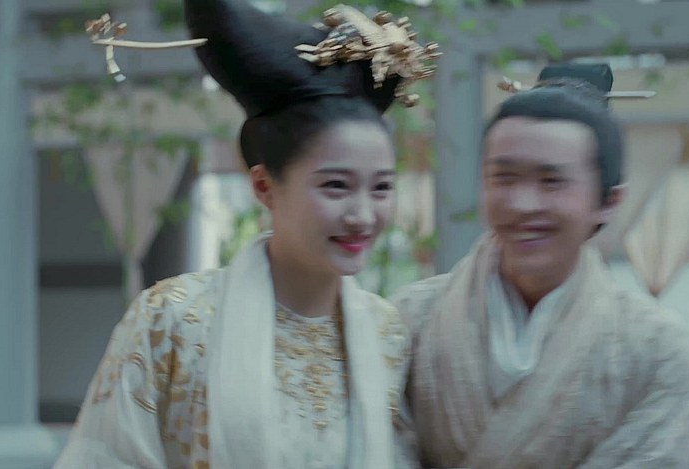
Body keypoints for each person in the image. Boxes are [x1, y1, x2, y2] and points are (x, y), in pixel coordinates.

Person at [55, 1, 436, 468]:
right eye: (336, 186)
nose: (362, 215)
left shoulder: (388, 334)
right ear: (264, 186)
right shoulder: (174, 320)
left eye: (381, 188)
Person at [391, 63, 689, 468]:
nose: (522, 204)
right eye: (504, 178)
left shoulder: (653, 349)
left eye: (551, 182)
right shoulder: (411, 319)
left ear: (609, 201)